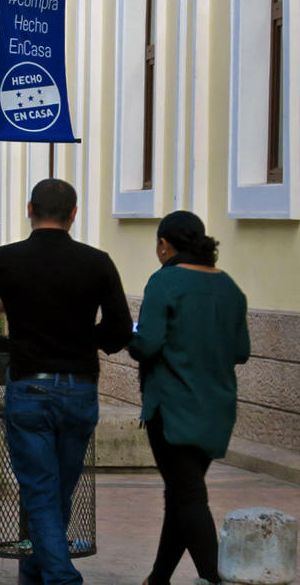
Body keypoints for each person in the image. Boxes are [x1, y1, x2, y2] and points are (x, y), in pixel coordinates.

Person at [0, 178, 132, 585]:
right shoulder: (97, 262)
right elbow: (120, 330)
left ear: (29, 210)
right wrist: (83, 338)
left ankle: (61, 577)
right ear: (73, 214)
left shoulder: (7, 259)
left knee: (39, 491)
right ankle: (37, 576)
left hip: (30, 388)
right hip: (79, 388)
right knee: (57, 494)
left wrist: (4, 302)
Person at [129, 211, 249, 585]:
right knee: (181, 495)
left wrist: (127, 334)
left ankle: (215, 578)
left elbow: (147, 344)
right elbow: (241, 350)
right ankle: (158, 578)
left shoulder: (165, 281)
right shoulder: (229, 287)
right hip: (216, 409)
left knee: (190, 498)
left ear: (164, 245)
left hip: (173, 409)